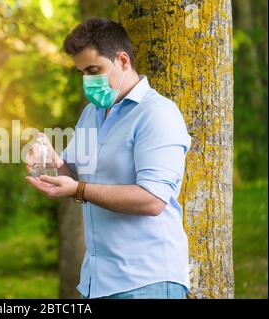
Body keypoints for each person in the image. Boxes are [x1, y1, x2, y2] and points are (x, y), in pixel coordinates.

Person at [25, 17, 191, 299]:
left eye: (93, 70)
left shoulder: (157, 114)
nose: (87, 81)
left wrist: (78, 190)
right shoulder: (92, 113)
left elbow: (152, 199)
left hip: (146, 282)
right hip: (98, 283)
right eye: (81, 72)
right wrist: (54, 162)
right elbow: (76, 176)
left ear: (122, 60)